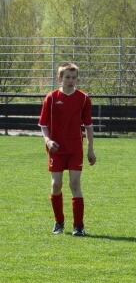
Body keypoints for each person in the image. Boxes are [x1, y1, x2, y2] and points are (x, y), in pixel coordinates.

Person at [39, 62, 96, 236]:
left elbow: (88, 125)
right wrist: (48, 140)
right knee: (56, 184)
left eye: (74, 77)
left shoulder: (83, 98)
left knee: (75, 183)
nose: (71, 80)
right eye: (67, 77)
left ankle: (78, 226)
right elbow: (43, 124)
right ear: (60, 78)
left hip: (74, 148)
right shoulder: (51, 98)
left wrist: (90, 149)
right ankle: (58, 222)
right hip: (56, 149)